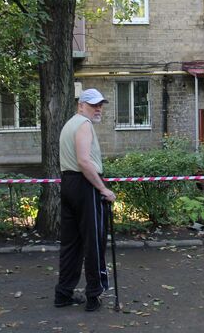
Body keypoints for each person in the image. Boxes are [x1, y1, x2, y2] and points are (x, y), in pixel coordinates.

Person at [54, 88, 116, 312]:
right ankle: (94, 295)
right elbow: (84, 161)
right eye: (93, 104)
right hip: (85, 185)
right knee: (94, 241)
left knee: (71, 243)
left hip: (69, 184)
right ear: (81, 105)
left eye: (100, 104)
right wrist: (103, 189)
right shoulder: (84, 124)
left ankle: (63, 294)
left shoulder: (69, 124)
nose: (98, 108)